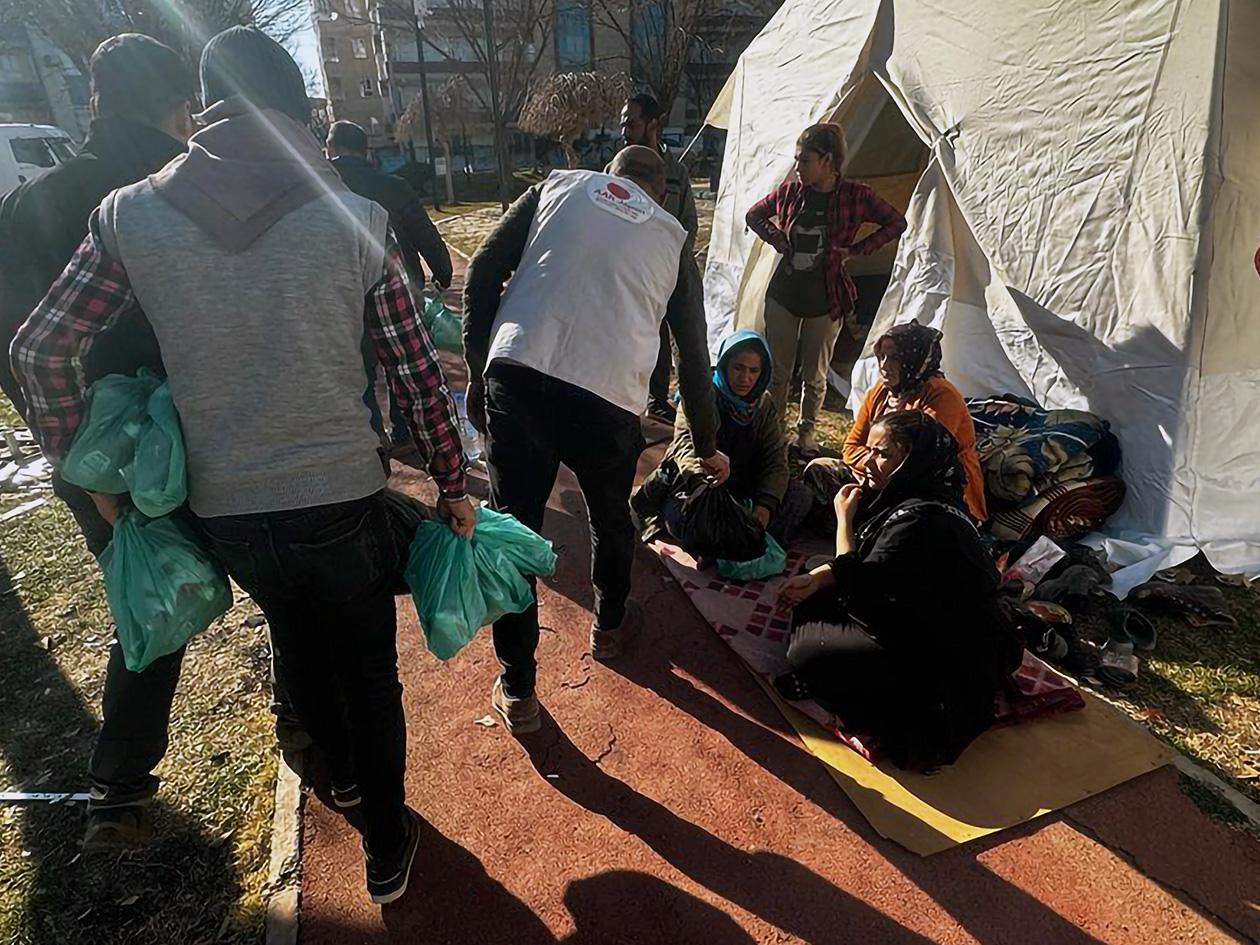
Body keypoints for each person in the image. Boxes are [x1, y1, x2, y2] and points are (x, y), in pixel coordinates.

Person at [11, 26, 475, 905]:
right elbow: (417, 376)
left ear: (207, 106)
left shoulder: (129, 214)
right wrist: (453, 486)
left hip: (221, 508)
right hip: (339, 492)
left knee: (296, 635)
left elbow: (39, 351)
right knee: (369, 665)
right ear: (299, 111)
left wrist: (90, 468)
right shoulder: (355, 220)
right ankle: (385, 840)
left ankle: (337, 779)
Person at [0, 33, 199, 853]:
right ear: (179, 105)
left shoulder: (24, 203)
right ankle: (311, 737)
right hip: (191, 440)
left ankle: (118, 792)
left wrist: (82, 466)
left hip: (87, 457)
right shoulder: (173, 193)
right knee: (274, 579)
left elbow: (20, 350)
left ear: (92, 102)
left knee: (144, 604)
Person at [463, 145, 729, 735]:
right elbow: (692, 345)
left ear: (608, 176)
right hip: (607, 396)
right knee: (610, 516)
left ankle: (519, 689)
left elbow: (482, 269)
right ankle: (609, 625)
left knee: (514, 531)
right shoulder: (671, 234)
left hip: (519, 369)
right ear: (657, 191)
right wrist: (706, 441)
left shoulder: (557, 187)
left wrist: (481, 371)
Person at [775, 411, 1022, 771]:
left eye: (883, 454)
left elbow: (862, 593)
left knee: (807, 652)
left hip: (939, 660)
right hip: (912, 618)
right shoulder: (919, 496)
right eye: (870, 450)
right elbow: (867, 571)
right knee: (813, 570)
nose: (868, 462)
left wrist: (844, 519)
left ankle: (863, 696)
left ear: (913, 460)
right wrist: (816, 579)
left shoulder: (923, 520)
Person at [745, 122, 906, 458]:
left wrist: (857, 250)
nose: (799, 168)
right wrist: (778, 240)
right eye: (797, 160)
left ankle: (806, 434)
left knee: (814, 375)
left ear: (827, 161)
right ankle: (773, 435)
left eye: (805, 161)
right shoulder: (791, 193)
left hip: (826, 297)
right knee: (778, 373)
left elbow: (895, 222)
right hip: (784, 295)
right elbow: (754, 215)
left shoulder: (854, 196)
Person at [326, 119, 454, 447]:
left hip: (343, 297)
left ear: (330, 148)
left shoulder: (318, 188)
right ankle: (404, 430)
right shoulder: (394, 187)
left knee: (360, 371)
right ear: (366, 150)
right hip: (400, 289)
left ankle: (373, 439)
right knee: (404, 366)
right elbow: (425, 232)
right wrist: (443, 271)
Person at [633, 328, 814, 550]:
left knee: (800, 496)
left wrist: (765, 505)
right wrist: (703, 483)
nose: (745, 378)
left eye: (753, 371)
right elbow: (684, 447)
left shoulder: (763, 404)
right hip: (702, 484)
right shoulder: (700, 397)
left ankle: (742, 543)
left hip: (745, 486)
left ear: (762, 373)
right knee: (681, 517)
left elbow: (775, 459)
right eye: (738, 368)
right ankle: (733, 544)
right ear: (725, 364)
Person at [805, 319, 988, 522]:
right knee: (819, 469)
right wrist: (874, 467)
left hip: (929, 487)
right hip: (879, 476)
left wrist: (880, 470)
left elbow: (923, 461)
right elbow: (851, 447)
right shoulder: (880, 393)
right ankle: (857, 526)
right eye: (881, 357)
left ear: (915, 359)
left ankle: (863, 527)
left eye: (894, 358)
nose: (884, 366)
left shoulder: (942, 396)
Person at [620, 93, 698, 425]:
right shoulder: (619, 168)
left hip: (662, 271)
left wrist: (674, 262)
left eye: (631, 122)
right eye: (623, 122)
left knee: (662, 335)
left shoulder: (676, 172)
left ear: (653, 125)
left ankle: (658, 398)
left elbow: (688, 222)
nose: (624, 129)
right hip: (625, 270)